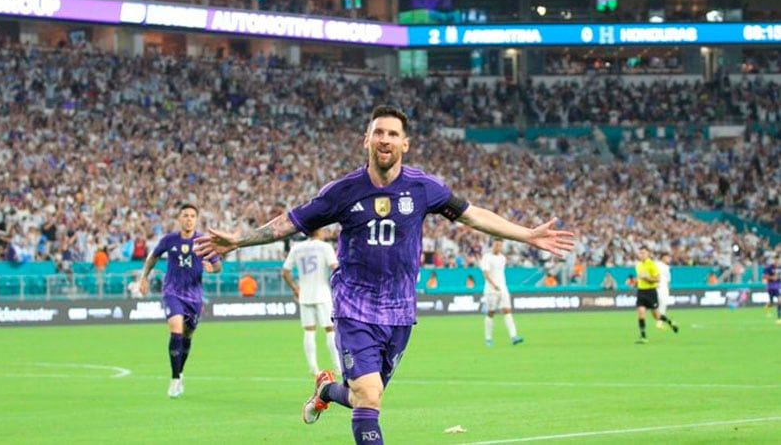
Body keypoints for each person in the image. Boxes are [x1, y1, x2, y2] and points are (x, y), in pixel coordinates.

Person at [193, 105, 574, 445]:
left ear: (405, 144)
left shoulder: (424, 188)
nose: (385, 139)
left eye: (393, 134)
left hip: (400, 311)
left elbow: (473, 215)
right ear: (367, 140)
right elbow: (288, 223)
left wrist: (526, 234)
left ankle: (326, 391)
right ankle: (333, 391)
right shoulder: (342, 191)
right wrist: (238, 241)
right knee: (370, 395)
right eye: (379, 132)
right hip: (354, 306)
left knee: (363, 397)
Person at [138, 204, 222, 398]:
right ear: (179, 219)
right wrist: (144, 277)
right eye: (185, 215)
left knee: (187, 335)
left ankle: (180, 372)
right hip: (172, 292)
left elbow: (218, 266)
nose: (189, 219)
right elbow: (153, 257)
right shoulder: (169, 240)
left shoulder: (203, 242)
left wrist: (212, 269)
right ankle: (175, 380)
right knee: (175, 330)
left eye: (193, 215)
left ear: (196, 219)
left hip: (194, 296)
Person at [282, 228, 342, 377]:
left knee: (309, 331)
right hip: (322, 294)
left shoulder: (297, 248)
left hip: (305, 294)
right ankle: (338, 367)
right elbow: (335, 267)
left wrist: (295, 288)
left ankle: (313, 368)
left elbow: (285, 272)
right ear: (319, 231)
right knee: (330, 330)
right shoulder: (325, 247)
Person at [480, 239, 524, 347]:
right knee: (491, 313)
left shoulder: (502, 258)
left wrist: (500, 286)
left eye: (499, 245)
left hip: (503, 288)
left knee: (507, 311)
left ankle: (514, 337)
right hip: (491, 290)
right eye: (495, 245)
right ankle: (488, 339)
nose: (497, 247)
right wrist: (493, 285)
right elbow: (485, 274)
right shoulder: (487, 257)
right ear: (492, 245)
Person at [634, 247, 678, 344]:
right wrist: (636, 282)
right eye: (640, 253)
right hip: (641, 292)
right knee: (641, 313)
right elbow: (640, 278)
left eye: (644, 253)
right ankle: (643, 337)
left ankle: (670, 322)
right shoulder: (638, 265)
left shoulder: (652, 265)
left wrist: (647, 278)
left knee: (656, 316)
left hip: (650, 292)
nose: (642, 255)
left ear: (648, 254)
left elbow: (657, 279)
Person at [655, 253, 672, 329]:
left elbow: (668, 280)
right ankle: (659, 322)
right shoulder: (657, 264)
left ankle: (659, 323)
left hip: (664, 288)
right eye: (667, 257)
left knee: (663, 305)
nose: (669, 259)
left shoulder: (667, 267)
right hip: (658, 287)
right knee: (660, 304)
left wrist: (668, 288)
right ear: (663, 257)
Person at [761, 255, 780, 323]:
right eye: (776, 260)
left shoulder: (780, 267)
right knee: (771, 303)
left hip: (778, 287)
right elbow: (764, 276)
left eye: (778, 260)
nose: (777, 261)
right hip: (770, 287)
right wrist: (772, 278)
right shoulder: (769, 267)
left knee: (779, 301)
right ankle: (766, 308)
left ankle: (779, 318)